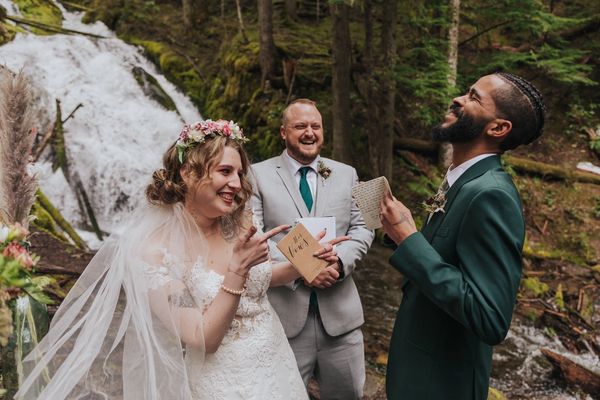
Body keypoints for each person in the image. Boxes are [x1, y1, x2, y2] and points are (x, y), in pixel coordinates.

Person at [15, 119, 346, 399]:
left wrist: (304, 264)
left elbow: (260, 280)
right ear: (188, 173)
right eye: (225, 171)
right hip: (223, 384)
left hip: (277, 365)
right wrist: (236, 269)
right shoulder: (153, 252)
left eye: (240, 173)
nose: (237, 183)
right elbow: (204, 338)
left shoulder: (238, 223)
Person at [380, 72, 545, 400]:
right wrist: (399, 234)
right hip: (417, 370)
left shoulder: (491, 195)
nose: (458, 99)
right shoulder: (463, 180)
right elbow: (446, 255)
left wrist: (410, 240)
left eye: (473, 97)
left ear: (498, 128)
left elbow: (490, 317)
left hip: (441, 385)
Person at [251, 99, 374, 399]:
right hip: (284, 320)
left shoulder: (347, 173)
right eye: (300, 126)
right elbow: (255, 235)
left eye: (315, 126)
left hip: (342, 320)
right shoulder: (256, 174)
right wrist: (307, 267)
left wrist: (340, 262)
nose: (309, 132)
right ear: (283, 132)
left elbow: (364, 227)